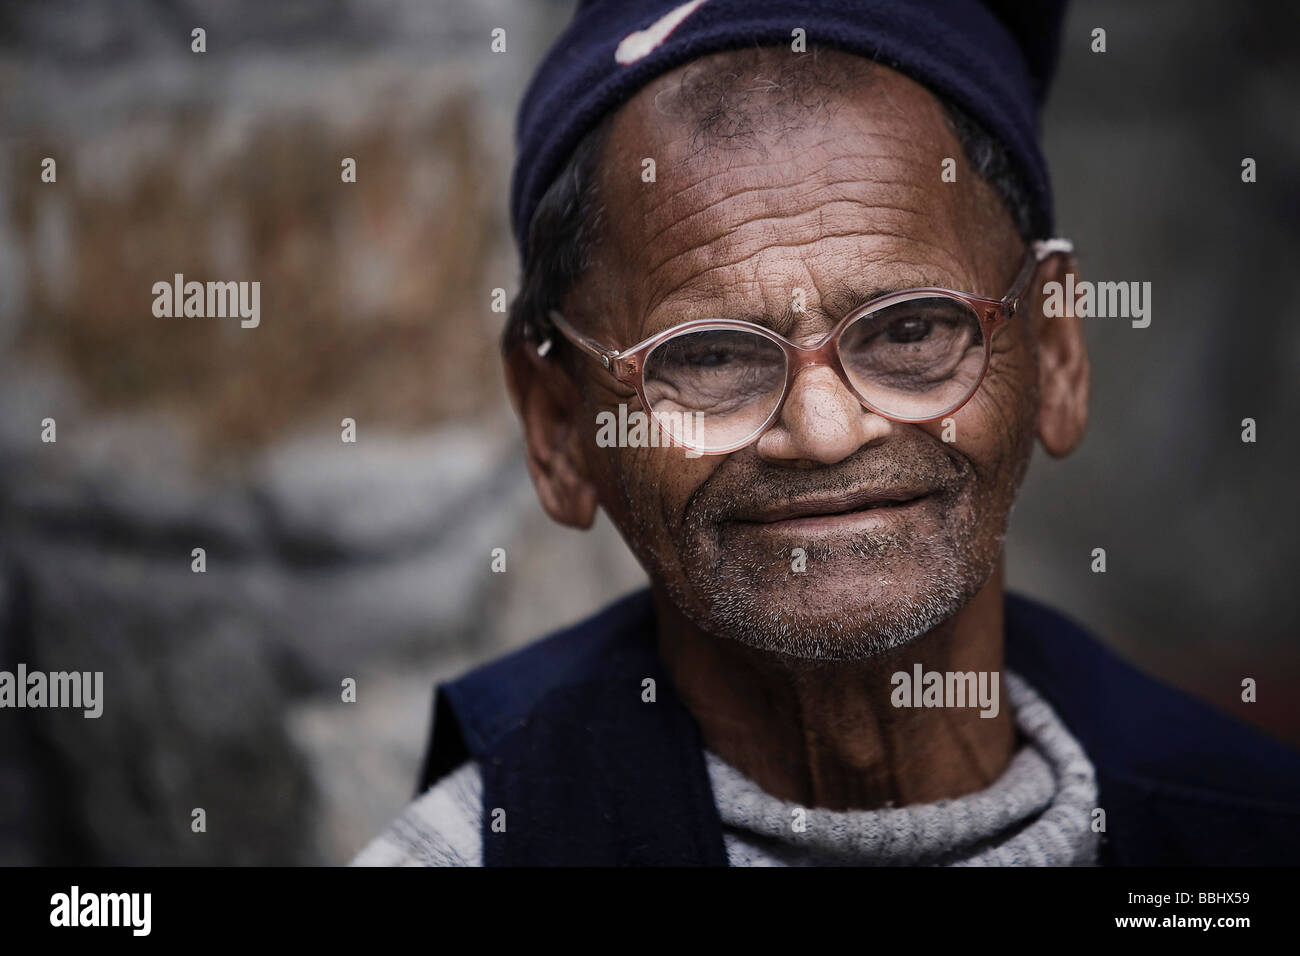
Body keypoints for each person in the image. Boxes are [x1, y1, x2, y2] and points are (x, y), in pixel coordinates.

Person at [353, 0, 1300, 866]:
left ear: (1054, 355)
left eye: (913, 330)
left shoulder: (1241, 840)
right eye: (713, 357)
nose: (825, 429)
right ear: (560, 427)